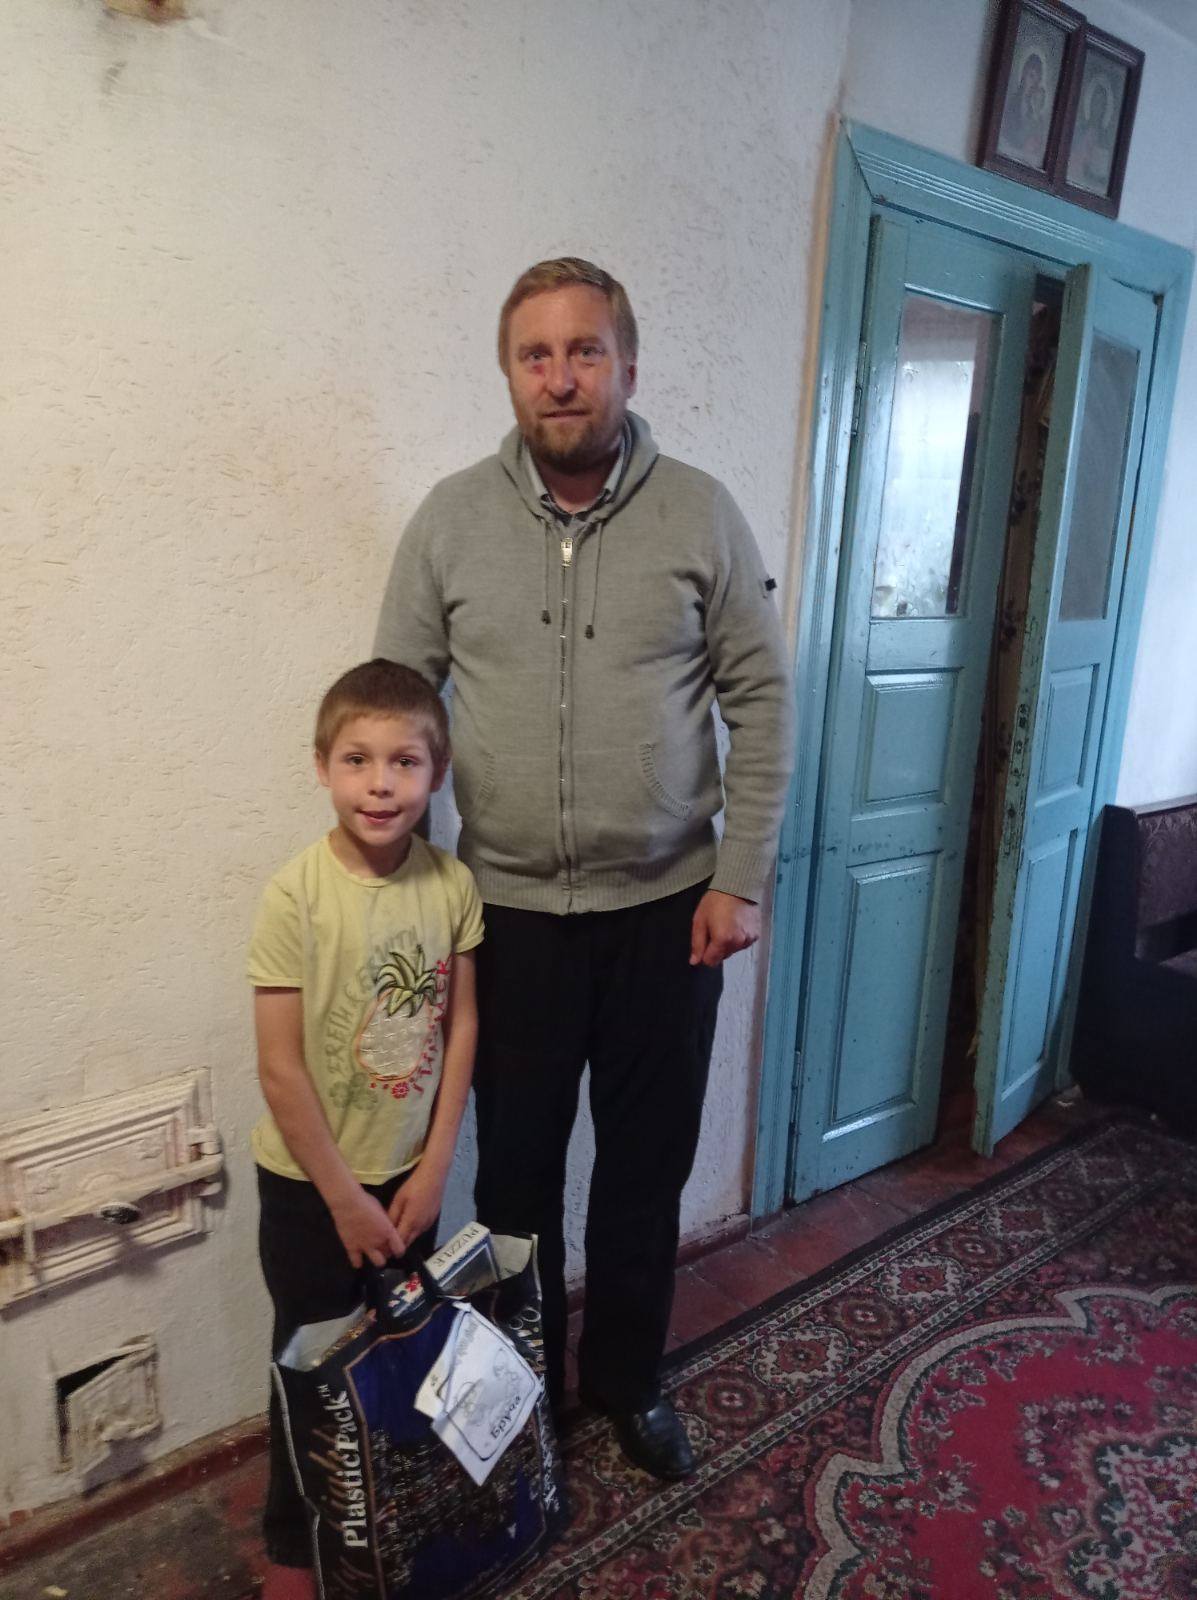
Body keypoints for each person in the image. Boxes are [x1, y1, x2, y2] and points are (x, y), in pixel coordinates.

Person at [375, 257, 794, 1482]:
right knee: (513, 1180)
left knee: (643, 1172)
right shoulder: (450, 520)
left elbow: (762, 698)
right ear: (510, 374)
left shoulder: (702, 513)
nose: (560, 377)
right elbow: (397, 705)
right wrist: (412, 893)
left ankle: (624, 1380)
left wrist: (741, 873)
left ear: (628, 366)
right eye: (536, 354)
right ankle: (520, 1394)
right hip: (506, 917)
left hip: (672, 913)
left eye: (585, 350)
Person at [248, 659, 482, 1600]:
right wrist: (343, 1198)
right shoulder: (294, 896)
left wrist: (435, 1165)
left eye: (403, 762)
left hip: (409, 1179)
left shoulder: (452, 886)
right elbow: (279, 1067)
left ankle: (390, 1523)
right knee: (310, 1372)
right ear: (321, 766)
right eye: (357, 760)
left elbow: (461, 1026)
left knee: (397, 1357)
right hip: (311, 1189)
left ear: (437, 772)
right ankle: (291, 1551)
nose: (380, 784)